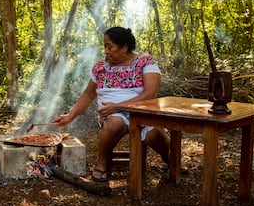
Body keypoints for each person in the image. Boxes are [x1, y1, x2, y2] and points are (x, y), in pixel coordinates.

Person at [52, 26, 170, 182]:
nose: (106, 51)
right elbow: (88, 94)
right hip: (112, 114)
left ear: (125, 47)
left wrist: (119, 106)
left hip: (143, 110)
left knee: (154, 135)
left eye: (110, 46)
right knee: (115, 122)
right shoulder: (100, 66)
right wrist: (70, 115)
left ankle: (170, 159)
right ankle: (102, 161)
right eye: (105, 46)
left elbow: (150, 93)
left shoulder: (145, 61)